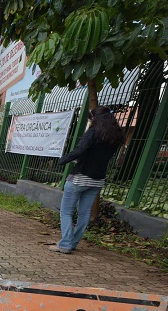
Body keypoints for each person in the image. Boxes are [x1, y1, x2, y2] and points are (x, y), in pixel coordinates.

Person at [51, 106, 125, 254]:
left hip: (80, 178)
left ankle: (65, 244)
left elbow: (80, 150)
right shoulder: (116, 137)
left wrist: (62, 160)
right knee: (84, 213)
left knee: (66, 212)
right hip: (97, 180)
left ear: (94, 119)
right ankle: (72, 243)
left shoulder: (92, 133)